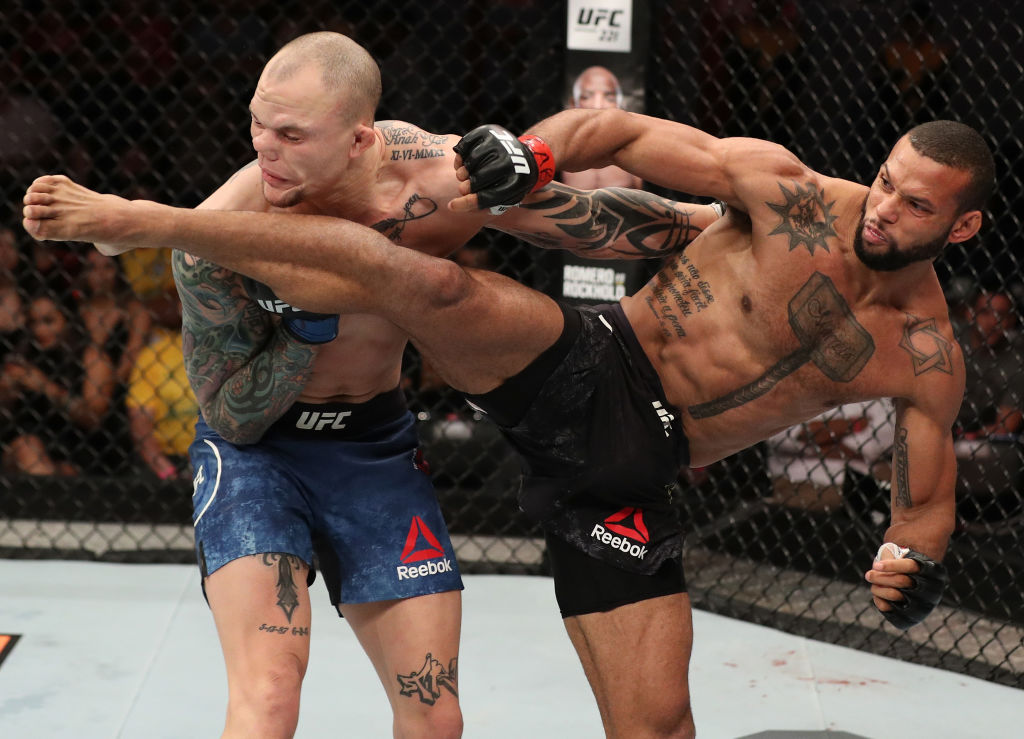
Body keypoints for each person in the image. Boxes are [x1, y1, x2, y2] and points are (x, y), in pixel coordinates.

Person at [24, 110, 990, 736]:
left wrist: (910, 569)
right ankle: (158, 218)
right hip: (589, 364)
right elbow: (614, 126)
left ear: (963, 228)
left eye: (917, 205)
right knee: (426, 269)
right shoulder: (793, 194)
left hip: (632, 474)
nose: (886, 207)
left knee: (656, 725)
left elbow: (926, 501)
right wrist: (532, 155)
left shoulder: (926, 352)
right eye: (890, 179)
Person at [20, 33, 720, 739]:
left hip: (373, 447)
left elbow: (588, 224)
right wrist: (304, 328)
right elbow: (226, 412)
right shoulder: (227, 230)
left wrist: (716, 223)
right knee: (268, 702)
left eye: (292, 133)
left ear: (358, 140)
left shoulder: (433, 184)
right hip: (260, 458)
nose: (266, 147)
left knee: (436, 715)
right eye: (258, 123)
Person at [561, 66, 642, 191]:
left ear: (619, 104)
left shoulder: (634, 149)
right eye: (587, 96)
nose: (598, 105)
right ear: (573, 104)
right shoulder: (561, 150)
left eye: (609, 97)